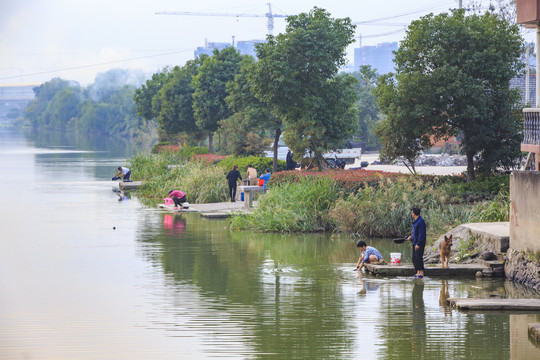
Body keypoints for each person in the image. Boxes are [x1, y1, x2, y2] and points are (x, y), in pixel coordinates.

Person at [408, 207, 426, 278]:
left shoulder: (421, 221)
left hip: (419, 243)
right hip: (414, 242)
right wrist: (411, 236)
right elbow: (415, 232)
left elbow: (422, 234)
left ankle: (421, 272)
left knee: (418, 257)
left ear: (414, 213)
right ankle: (417, 272)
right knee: (414, 258)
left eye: (412, 212)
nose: (411, 214)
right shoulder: (416, 221)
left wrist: (418, 243)